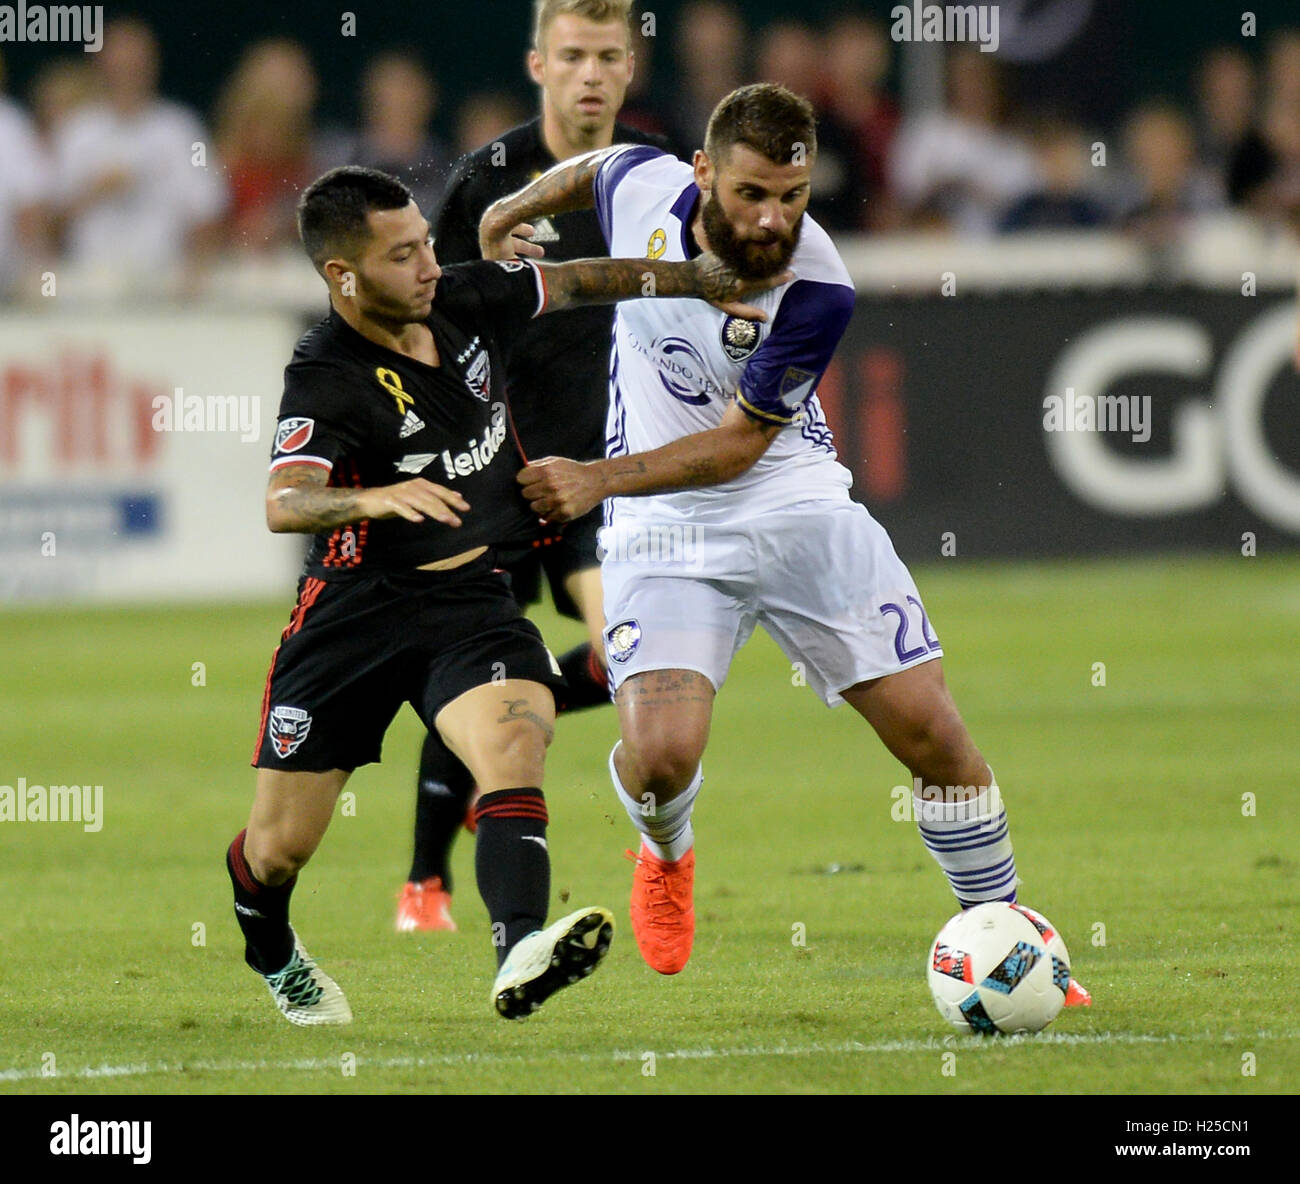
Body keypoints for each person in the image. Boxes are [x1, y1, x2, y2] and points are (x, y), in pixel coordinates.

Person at [479, 83, 1091, 1008]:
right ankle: (666, 853)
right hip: (666, 527)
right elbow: (598, 167)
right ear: (703, 175)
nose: (773, 220)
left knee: (936, 738)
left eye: (793, 197)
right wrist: (509, 208)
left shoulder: (817, 287)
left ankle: (1016, 939)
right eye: (752, 194)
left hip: (792, 503)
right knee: (659, 758)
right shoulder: (644, 188)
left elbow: (735, 448)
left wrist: (594, 479)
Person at [225, 163, 780, 1024]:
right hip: (353, 615)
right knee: (279, 851)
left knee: (517, 739)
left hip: (469, 603)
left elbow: (583, 279)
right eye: (402, 254)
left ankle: (519, 945)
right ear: (343, 276)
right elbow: (284, 500)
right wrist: (371, 496)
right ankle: (274, 952)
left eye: (424, 243)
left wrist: (698, 280)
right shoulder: (325, 376)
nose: (428, 265)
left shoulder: (466, 298)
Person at [395, 0, 667, 934]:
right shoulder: (486, 182)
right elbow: (432, 318)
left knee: (635, 661)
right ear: (538, 65)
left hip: (603, 470)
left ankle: (528, 800)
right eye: (572, 56)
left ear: (629, 66)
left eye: (606, 56)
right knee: (478, 667)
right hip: (499, 471)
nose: (590, 73)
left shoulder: (648, 177)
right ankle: (424, 882)